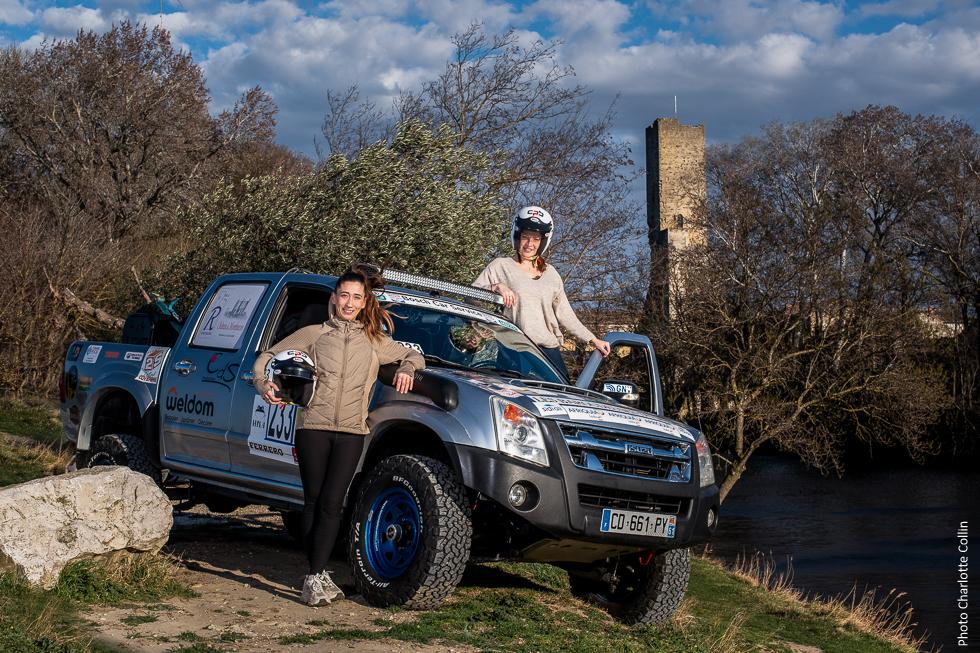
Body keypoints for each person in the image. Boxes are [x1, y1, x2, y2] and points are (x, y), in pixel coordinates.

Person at [253, 264, 424, 607]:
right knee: (313, 502)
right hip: (312, 427)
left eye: (356, 297)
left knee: (333, 504)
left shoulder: (375, 341)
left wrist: (406, 368)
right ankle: (315, 573)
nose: (349, 302)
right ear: (334, 298)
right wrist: (264, 383)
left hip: (351, 432)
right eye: (344, 295)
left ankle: (315, 575)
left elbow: (414, 354)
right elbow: (266, 357)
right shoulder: (314, 334)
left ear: (364, 303)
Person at [473, 206, 611, 381]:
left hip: (548, 351)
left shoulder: (551, 273)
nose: (529, 244)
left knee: (563, 394)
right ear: (517, 237)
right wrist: (496, 287)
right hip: (514, 348)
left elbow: (565, 313)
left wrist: (592, 340)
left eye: (535, 239)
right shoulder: (501, 266)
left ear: (542, 242)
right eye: (525, 237)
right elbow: (472, 297)